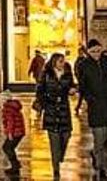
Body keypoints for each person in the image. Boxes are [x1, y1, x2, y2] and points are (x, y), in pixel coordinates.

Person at [76, 39, 107, 179]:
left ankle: (95, 153)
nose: (96, 54)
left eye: (98, 51)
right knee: (99, 139)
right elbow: (83, 85)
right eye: (93, 51)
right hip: (96, 105)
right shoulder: (84, 65)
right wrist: (89, 98)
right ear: (88, 52)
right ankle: (101, 167)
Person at [37, 52, 75, 180]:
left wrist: (72, 90)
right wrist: (42, 103)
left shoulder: (67, 74)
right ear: (54, 62)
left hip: (64, 109)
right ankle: (56, 169)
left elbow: (72, 85)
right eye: (60, 61)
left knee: (66, 135)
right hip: (51, 110)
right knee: (54, 141)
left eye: (63, 61)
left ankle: (60, 156)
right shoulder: (47, 74)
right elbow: (40, 90)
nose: (62, 63)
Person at [1, 89, 26, 175]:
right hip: (20, 132)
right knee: (9, 148)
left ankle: (15, 166)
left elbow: (10, 122)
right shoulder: (14, 106)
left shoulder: (7, 108)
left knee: (7, 147)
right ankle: (15, 165)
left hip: (15, 132)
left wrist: (10, 133)